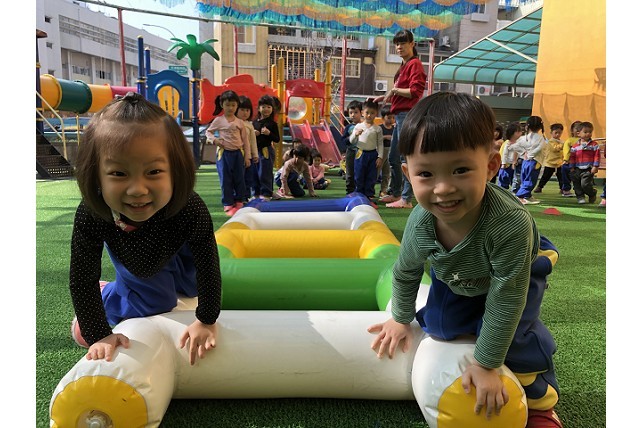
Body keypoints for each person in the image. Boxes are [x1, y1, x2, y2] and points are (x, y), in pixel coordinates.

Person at [367, 92, 562, 428]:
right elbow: (406, 272)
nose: (443, 188)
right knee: (441, 326)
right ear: (408, 174)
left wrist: (486, 364)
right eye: (426, 174)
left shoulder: (508, 224)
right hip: (457, 274)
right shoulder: (421, 223)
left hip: (514, 272)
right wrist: (400, 318)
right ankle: (480, 329)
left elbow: (506, 298)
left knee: (516, 340)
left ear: (490, 166)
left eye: (460, 170)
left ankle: (542, 405)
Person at [69, 92, 222, 366]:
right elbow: (83, 277)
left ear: (176, 171)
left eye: (153, 172)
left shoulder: (190, 207)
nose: (138, 190)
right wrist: (98, 334)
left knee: (191, 287)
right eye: (119, 173)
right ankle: (110, 294)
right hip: (133, 247)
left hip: (175, 236)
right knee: (157, 301)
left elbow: (208, 263)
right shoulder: (93, 212)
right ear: (96, 176)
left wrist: (206, 320)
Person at [376, 29, 427, 209]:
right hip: (400, 115)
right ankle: (397, 193)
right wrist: (384, 97)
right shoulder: (404, 66)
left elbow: (415, 92)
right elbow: (402, 95)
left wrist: (394, 91)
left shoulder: (415, 64)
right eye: (397, 44)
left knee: (405, 158)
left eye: (403, 43)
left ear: (412, 44)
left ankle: (406, 198)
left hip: (408, 115)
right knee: (394, 157)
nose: (399, 47)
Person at [206, 90, 251, 216]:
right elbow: (208, 132)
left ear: (237, 106)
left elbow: (245, 141)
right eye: (227, 105)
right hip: (224, 154)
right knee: (225, 179)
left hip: (238, 154)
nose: (230, 108)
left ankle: (239, 200)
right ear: (222, 105)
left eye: (233, 105)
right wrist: (215, 140)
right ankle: (228, 202)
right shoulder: (218, 120)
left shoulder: (239, 122)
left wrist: (247, 157)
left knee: (239, 178)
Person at [350, 99, 384, 200]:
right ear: (362, 113)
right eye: (367, 113)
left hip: (373, 154)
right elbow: (352, 141)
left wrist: (380, 157)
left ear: (376, 114)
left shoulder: (378, 129)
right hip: (360, 153)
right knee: (359, 175)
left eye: (372, 113)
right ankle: (359, 195)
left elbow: (380, 144)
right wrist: (356, 135)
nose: (369, 115)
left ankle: (369, 196)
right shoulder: (358, 126)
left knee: (371, 176)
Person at [253, 94, 281, 200]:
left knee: (265, 173)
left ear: (272, 109)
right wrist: (253, 133)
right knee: (254, 173)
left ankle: (266, 194)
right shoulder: (255, 122)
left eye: (269, 107)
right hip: (255, 151)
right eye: (263, 107)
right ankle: (256, 193)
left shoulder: (272, 124)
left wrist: (269, 133)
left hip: (266, 151)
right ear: (259, 108)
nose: (266, 109)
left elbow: (277, 139)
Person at [515, 116, 546, 205]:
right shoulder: (540, 138)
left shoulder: (524, 137)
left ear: (527, 126)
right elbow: (540, 148)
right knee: (530, 180)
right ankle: (520, 196)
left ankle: (527, 195)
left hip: (525, 161)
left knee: (525, 178)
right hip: (534, 161)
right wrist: (530, 155)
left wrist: (523, 153)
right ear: (540, 127)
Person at [569, 121, 600, 204]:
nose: (588, 134)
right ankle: (580, 196)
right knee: (576, 183)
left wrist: (595, 166)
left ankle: (592, 193)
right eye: (585, 132)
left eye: (590, 132)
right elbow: (572, 157)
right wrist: (571, 167)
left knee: (585, 184)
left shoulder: (594, 145)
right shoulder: (575, 146)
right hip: (577, 168)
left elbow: (597, 156)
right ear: (578, 133)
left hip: (588, 168)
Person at [237, 95, 259, 202]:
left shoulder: (250, 125)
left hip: (248, 156)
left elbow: (253, 141)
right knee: (238, 177)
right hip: (237, 155)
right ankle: (238, 197)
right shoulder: (233, 123)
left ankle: (246, 197)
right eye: (242, 110)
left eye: (247, 110)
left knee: (248, 177)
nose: (245, 113)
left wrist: (255, 155)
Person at [534, 123, 564, 194]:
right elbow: (555, 148)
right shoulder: (551, 141)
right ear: (551, 133)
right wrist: (563, 145)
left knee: (561, 176)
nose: (558, 134)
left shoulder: (561, 141)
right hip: (550, 162)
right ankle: (539, 187)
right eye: (556, 133)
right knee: (546, 176)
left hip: (559, 162)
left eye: (559, 133)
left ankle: (562, 188)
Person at [341, 100, 363, 194]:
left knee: (360, 172)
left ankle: (360, 191)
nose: (353, 115)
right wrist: (350, 138)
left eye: (356, 112)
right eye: (351, 113)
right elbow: (343, 140)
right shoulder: (348, 127)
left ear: (361, 113)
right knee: (350, 172)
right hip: (350, 151)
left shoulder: (364, 125)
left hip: (361, 152)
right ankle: (350, 192)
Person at [496, 122, 523, 190]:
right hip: (507, 165)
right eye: (518, 132)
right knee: (503, 179)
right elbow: (504, 154)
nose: (521, 133)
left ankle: (515, 190)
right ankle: (501, 190)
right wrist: (503, 163)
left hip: (514, 164)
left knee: (515, 179)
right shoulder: (508, 143)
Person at [560, 120, 582, 197]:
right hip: (570, 162)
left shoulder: (585, 141)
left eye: (580, 128)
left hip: (581, 163)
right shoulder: (569, 140)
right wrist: (566, 159)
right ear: (572, 131)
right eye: (576, 128)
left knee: (579, 177)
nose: (578, 130)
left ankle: (580, 190)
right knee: (565, 172)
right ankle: (566, 190)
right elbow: (566, 150)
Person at [379, 105, 395, 198]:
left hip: (390, 151)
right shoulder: (379, 128)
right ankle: (370, 190)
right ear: (383, 118)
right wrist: (385, 137)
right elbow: (376, 139)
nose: (391, 120)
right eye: (389, 117)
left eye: (393, 117)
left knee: (387, 173)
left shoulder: (394, 129)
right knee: (377, 171)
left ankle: (383, 190)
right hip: (381, 151)